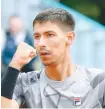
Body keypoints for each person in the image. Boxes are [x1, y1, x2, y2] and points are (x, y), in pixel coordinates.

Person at [1, 8, 105, 108]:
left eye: (50, 35)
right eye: (37, 37)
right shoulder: (24, 82)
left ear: (69, 38)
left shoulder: (98, 81)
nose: (41, 43)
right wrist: (15, 63)